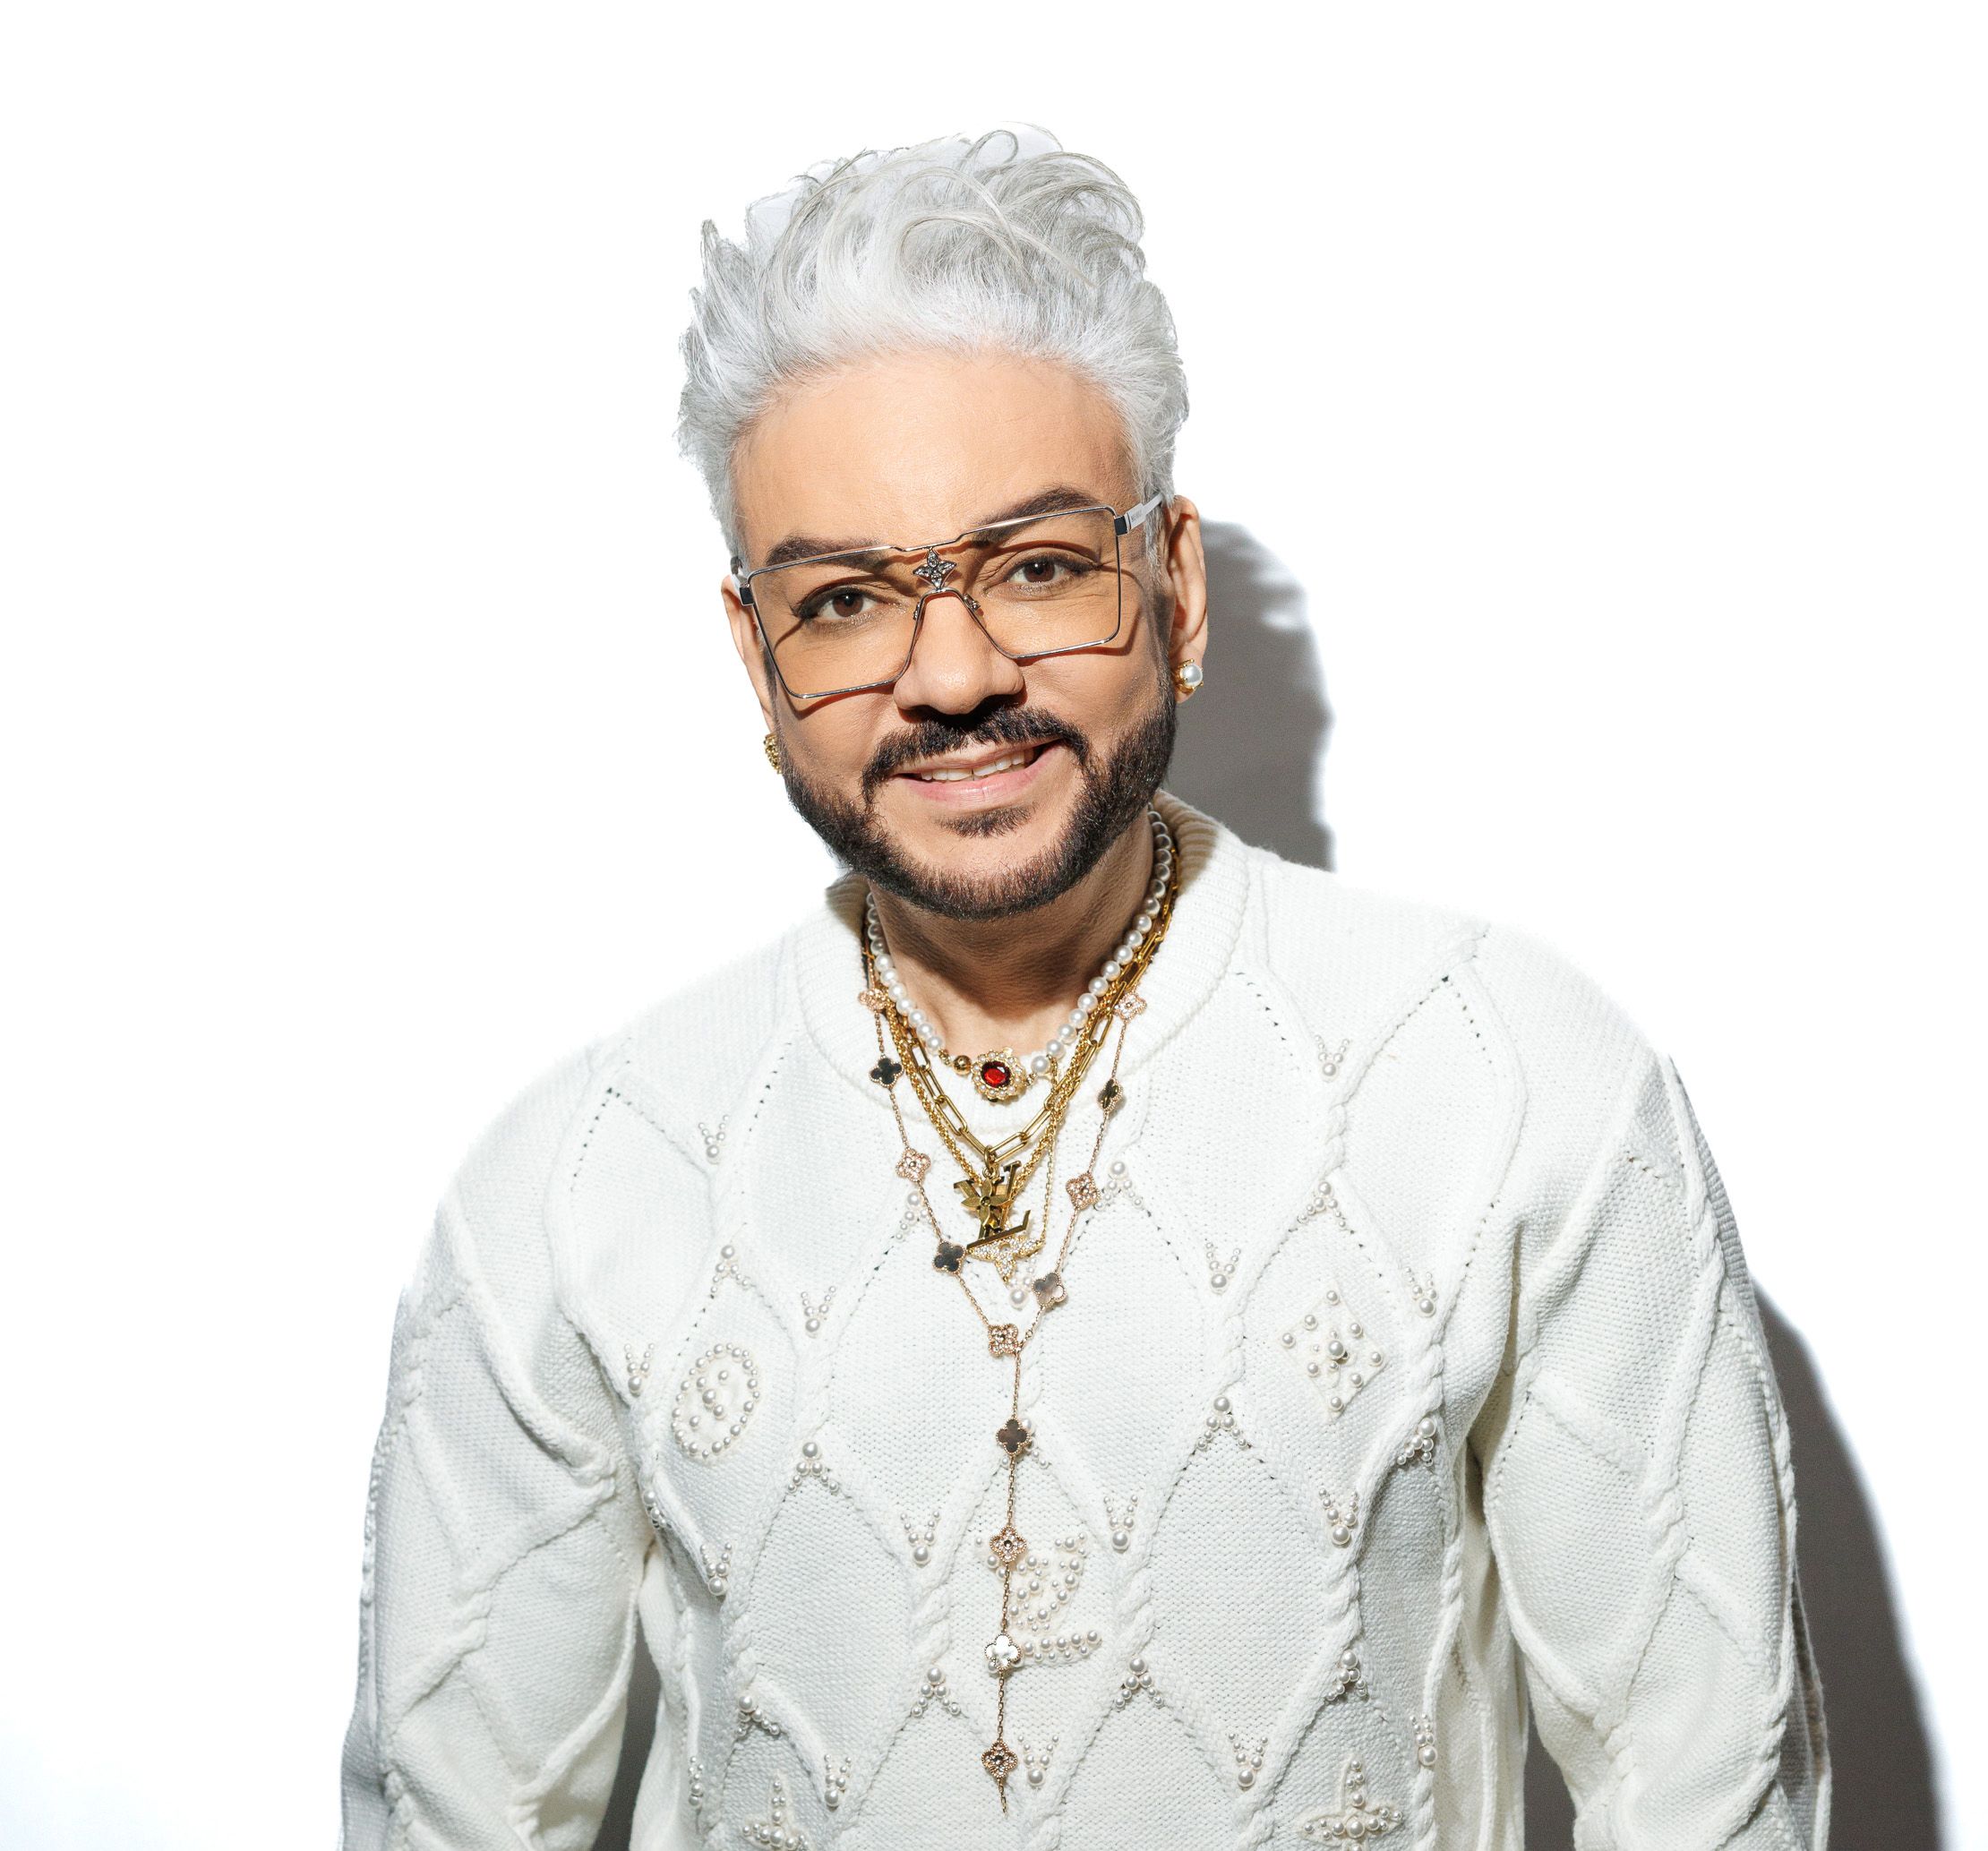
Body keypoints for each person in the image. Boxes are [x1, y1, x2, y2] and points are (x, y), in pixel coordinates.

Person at [338, 126, 1829, 1848]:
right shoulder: (579, 1179)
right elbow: (445, 1816)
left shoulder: (1508, 1085)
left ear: (1173, 587)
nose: (953, 674)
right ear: (758, 658)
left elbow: (1710, 1788)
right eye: (845, 601)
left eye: (1038, 566)